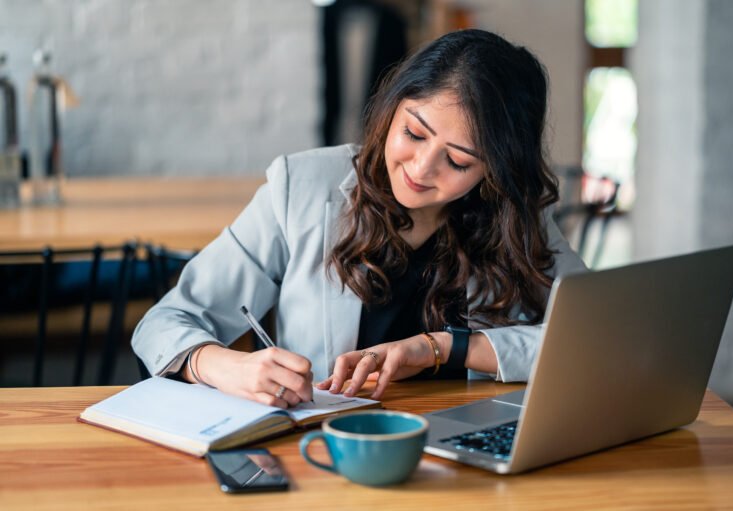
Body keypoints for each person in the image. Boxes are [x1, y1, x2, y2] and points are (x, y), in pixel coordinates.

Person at [132, 28, 586, 408]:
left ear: (496, 170)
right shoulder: (301, 187)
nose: (421, 169)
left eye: (458, 161)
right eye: (414, 133)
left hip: (469, 451)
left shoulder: (513, 216)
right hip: (329, 446)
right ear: (393, 109)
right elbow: (165, 322)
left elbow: (595, 339)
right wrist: (226, 366)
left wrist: (443, 348)